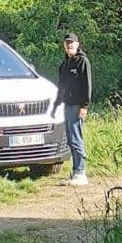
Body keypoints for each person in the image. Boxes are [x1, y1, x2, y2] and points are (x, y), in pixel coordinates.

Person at [50, 33, 92, 186]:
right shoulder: (64, 65)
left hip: (77, 106)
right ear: (64, 46)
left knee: (76, 138)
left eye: (72, 43)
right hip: (67, 106)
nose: (69, 46)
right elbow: (61, 87)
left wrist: (84, 106)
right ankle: (75, 173)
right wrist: (55, 106)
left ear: (77, 44)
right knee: (70, 139)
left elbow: (87, 85)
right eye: (67, 43)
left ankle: (81, 173)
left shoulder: (83, 61)